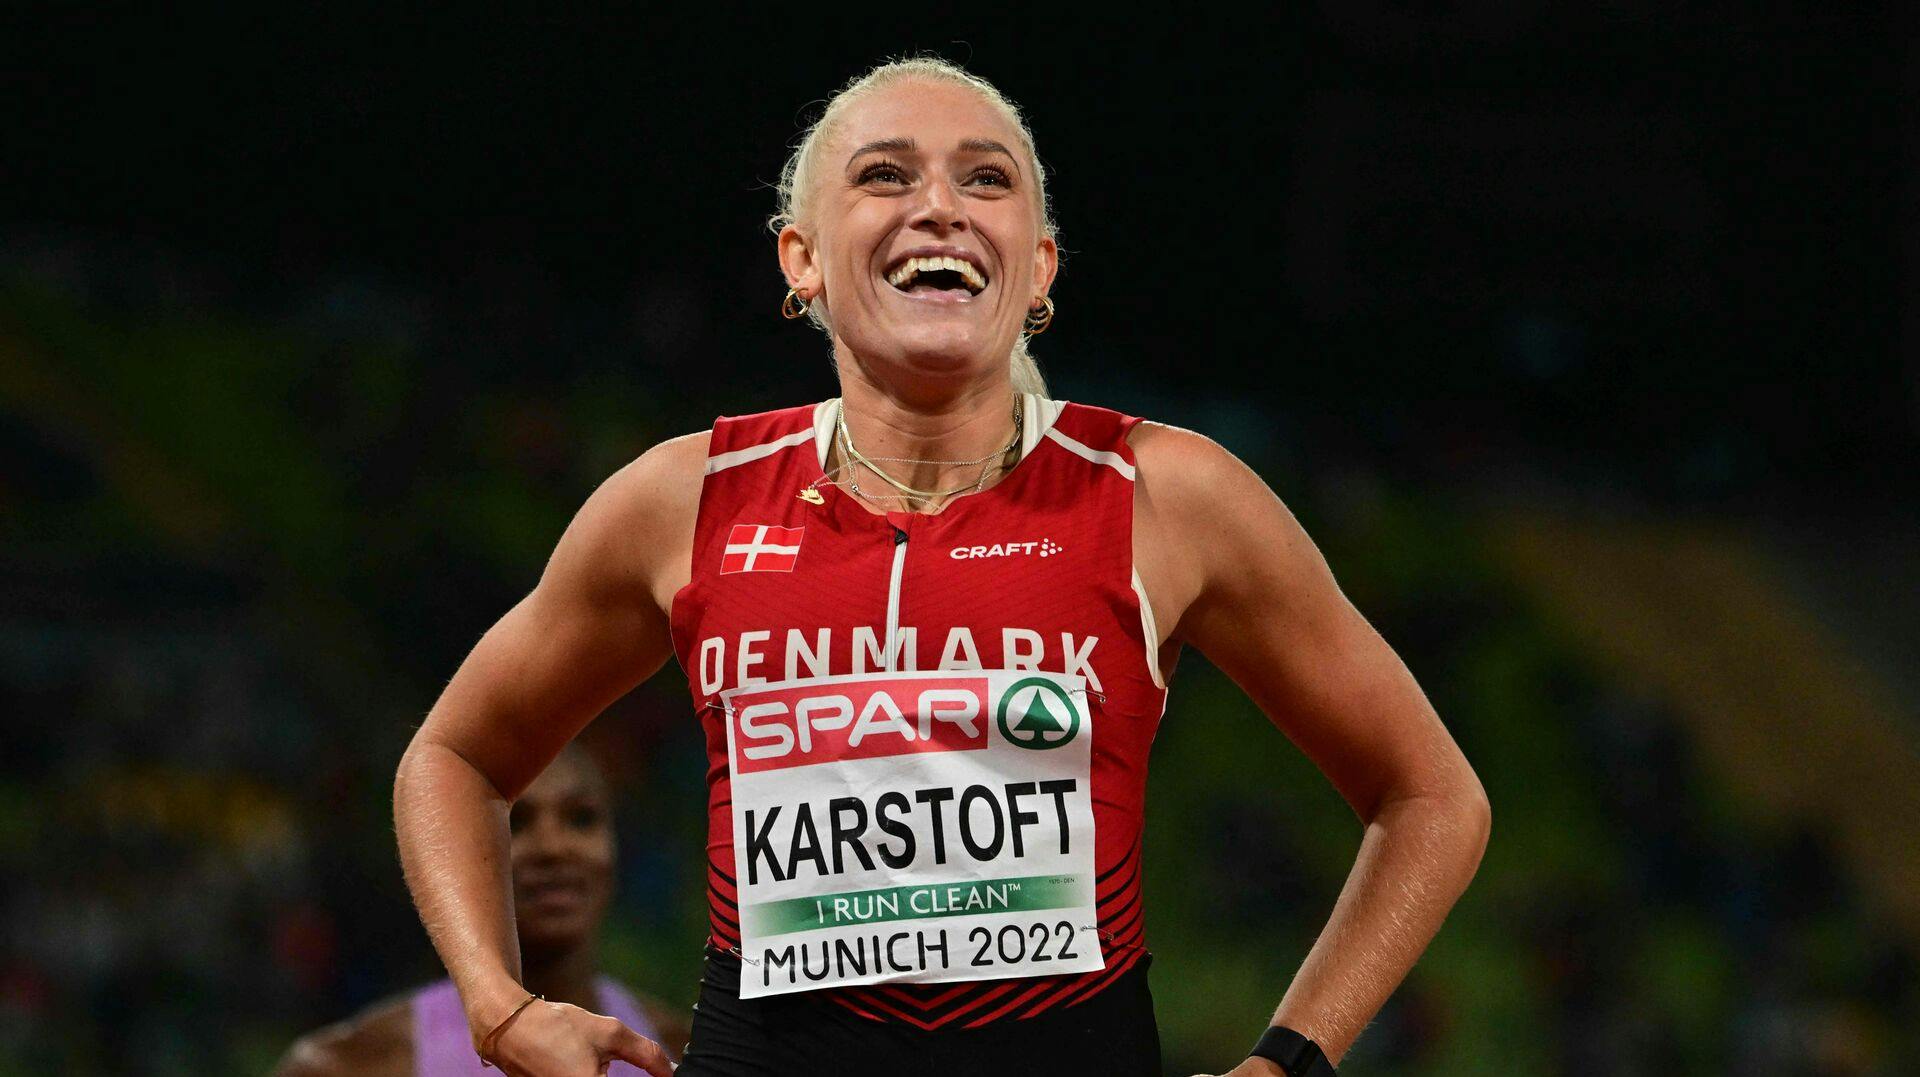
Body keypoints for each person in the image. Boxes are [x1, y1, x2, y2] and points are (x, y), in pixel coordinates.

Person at [391, 56, 1490, 1077]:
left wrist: (1288, 1061)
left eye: (986, 178)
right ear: (801, 259)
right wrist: (499, 1008)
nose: (940, 206)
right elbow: (454, 757)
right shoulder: (684, 501)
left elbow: (1432, 796)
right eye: (884, 174)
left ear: (1040, 265)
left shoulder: (1164, 493)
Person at [277, 746, 687, 1075]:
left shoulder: (681, 1052)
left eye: (581, 819)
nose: (553, 847)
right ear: (455, 855)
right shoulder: (350, 1065)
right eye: (515, 821)